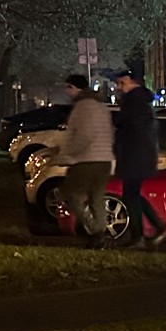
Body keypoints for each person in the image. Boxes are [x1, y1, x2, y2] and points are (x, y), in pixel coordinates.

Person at [113, 70, 166, 248]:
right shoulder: (141, 103)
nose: (119, 87)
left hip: (134, 156)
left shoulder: (134, 103)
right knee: (132, 194)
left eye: (122, 83)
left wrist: (116, 120)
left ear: (133, 83)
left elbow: (128, 126)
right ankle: (156, 226)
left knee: (130, 195)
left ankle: (139, 236)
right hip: (139, 155)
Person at [58, 74, 114, 248]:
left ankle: (96, 230)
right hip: (105, 160)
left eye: (68, 87)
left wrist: (67, 154)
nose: (66, 91)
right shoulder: (101, 107)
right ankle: (100, 235)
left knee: (70, 194)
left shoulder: (82, 107)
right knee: (96, 198)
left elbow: (83, 136)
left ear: (75, 88)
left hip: (87, 160)